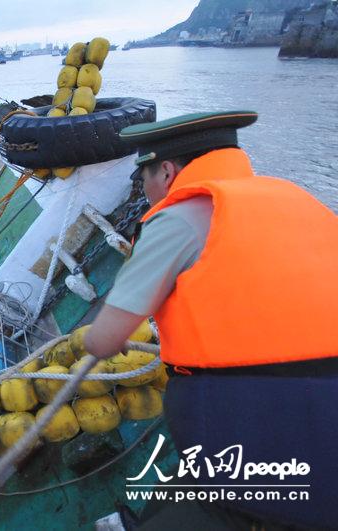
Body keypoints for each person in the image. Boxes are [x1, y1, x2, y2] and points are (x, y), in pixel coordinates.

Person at [83, 111, 338, 530]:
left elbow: (103, 340)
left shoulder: (179, 217)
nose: (145, 191)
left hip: (268, 424)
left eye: (144, 179)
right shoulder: (294, 196)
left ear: (167, 172)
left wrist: (104, 339)